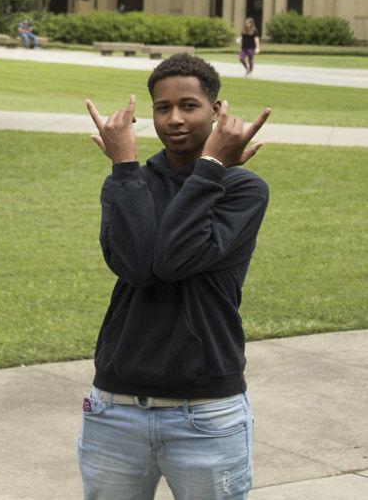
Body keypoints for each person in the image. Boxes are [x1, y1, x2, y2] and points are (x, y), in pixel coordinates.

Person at [79, 53, 271, 500]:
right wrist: (125, 168)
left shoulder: (243, 190)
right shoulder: (129, 180)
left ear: (216, 111)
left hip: (206, 412)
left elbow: (172, 260)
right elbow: (136, 267)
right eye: (162, 108)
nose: (174, 118)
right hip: (116, 407)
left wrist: (211, 168)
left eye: (189, 105)